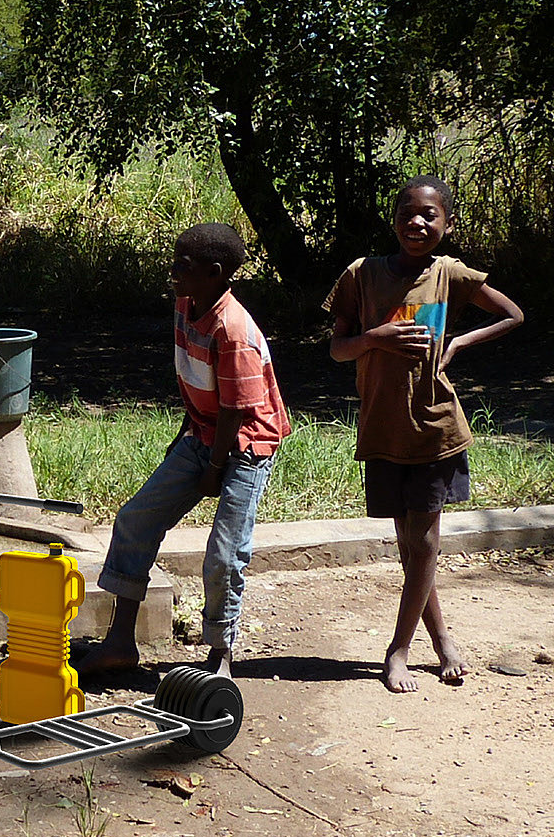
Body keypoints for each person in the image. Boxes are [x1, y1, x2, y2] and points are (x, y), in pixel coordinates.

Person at [325, 175, 523, 693]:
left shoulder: (450, 274)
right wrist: (375, 338)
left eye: (430, 215)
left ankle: (398, 649)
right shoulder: (361, 275)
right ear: (393, 220)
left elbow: (512, 315)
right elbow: (337, 347)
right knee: (411, 546)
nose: (418, 222)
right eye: (408, 213)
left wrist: (459, 342)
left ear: (447, 224)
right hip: (383, 427)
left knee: (426, 541)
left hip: (435, 427)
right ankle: (443, 642)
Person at [76, 223, 291, 679]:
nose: (172, 272)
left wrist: (213, 470)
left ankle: (219, 657)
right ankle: (120, 642)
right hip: (203, 433)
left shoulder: (233, 331)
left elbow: (237, 410)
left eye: (183, 267)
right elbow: (196, 381)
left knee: (224, 552)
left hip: (245, 444)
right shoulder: (186, 305)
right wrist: (187, 438)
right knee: (136, 520)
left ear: (214, 274)